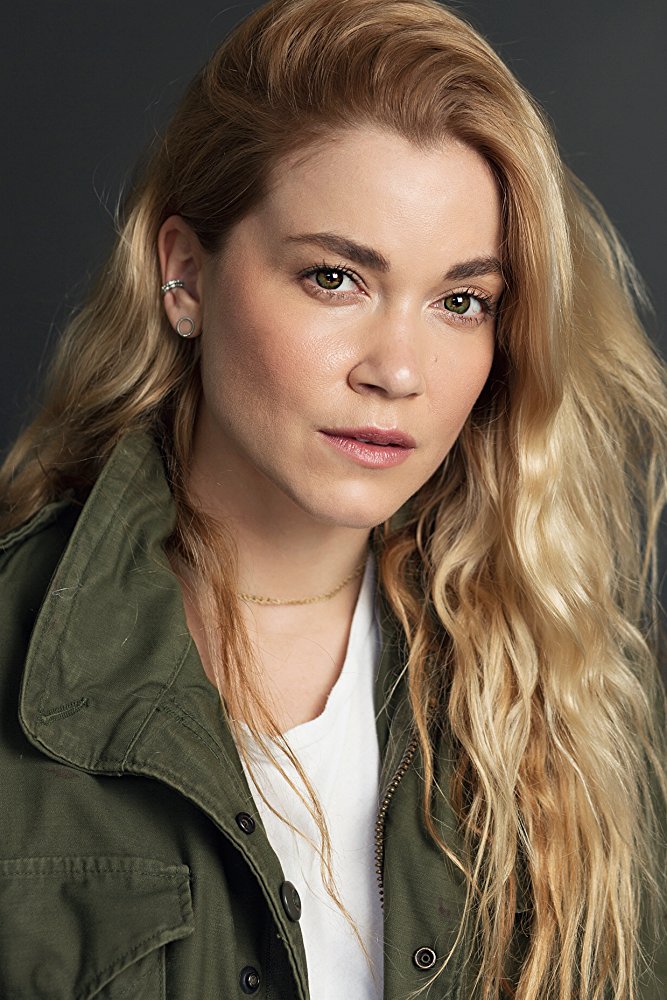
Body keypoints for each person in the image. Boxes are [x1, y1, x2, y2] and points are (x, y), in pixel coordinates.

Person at [0, 0, 665, 997]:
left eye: (460, 301)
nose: (397, 370)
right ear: (184, 274)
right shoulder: (16, 653)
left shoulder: (570, 694)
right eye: (334, 277)